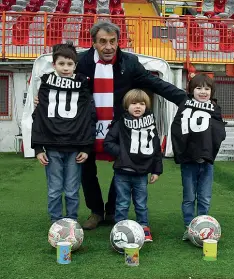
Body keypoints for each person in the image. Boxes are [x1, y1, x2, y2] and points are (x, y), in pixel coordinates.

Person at [74, 21, 187, 230]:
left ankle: (112, 209)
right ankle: (96, 211)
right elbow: (61, 82)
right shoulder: (81, 62)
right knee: (86, 170)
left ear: (118, 41)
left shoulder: (130, 62)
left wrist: (184, 98)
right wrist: (41, 96)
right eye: (102, 42)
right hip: (88, 126)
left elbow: (154, 83)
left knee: (122, 168)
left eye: (112, 41)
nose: (108, 47)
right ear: (93, 43)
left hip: (119, 128)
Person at [31, 42, 97, 224]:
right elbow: (38, 117)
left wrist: (86, 146)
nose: (65, 68)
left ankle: (72, 222)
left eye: (69, 64)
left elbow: (88, 117)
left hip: (75, 147)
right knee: (54, 189)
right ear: (54, 65)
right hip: (52, 146)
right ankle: (56, 223)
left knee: (72, 189)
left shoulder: (83, 85)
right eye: (61, 64)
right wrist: (38, 147)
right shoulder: (45, 85)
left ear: (75, 65)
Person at [171, 73, 226, 240]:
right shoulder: (185, 106)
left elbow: (218, 132)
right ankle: (189, 228)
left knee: (205, 197)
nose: (203, 91)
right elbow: (177, 130)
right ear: (191, 90)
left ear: (212, 91)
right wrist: (181, 152)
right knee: (189, 196)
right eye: (199, 88)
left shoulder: (215, 108)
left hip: (207, 161)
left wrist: (210, 150)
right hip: (189, 161)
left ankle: (203, 226)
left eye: (207, 88)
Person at [104, 89, 163, 242]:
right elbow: (108, 143)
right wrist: (123, 153)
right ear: (126, 106)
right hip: (122, 172)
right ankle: (120, 230)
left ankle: (144, 227)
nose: (138, 107)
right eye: (134, 103)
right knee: (122, 203)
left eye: (142, 104)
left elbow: (156, 148)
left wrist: (156, 170)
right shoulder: (120, 122)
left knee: (141, 203)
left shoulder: (150, 124)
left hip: (141, 172)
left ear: (147, 106)